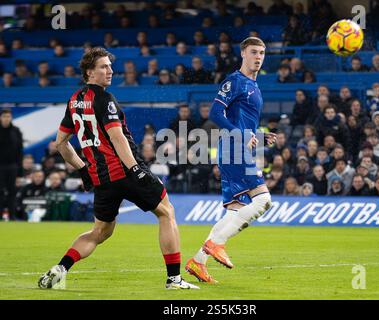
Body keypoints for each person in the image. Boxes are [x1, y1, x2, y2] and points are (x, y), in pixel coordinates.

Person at [38, 47, 198, 290]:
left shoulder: (74, 101)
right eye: (104, 66)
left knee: (101, 231)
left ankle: (60, 268)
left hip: (101, 179)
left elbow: (60, 143)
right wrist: (135, 169)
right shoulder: (104, 99)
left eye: (110, 66)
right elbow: (117, 138)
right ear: (89, 73)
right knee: (166, 212)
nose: (110, 70)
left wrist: (83, 169)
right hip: (124, 170)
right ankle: (174, 279)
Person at [185, 37, 277, 283]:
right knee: (263, 200)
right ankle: (216, 243)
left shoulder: (254, 85)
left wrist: (257, 135)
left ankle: (198, 261)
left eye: (262, 53)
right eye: (254, 52)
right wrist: (239, 134)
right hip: (233, 148)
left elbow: (242, 121)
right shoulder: (235, 81)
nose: (258, 57)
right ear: (243, 53)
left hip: (239, 148)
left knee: (234, 211)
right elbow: (215, 112)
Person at [0, 109, 23, 221]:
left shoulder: (16, 131)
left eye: (8, 116)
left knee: (12, 192)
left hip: (13, 166)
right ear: (1, 117)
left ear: (11, 117)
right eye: (4, 116)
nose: (6, 118)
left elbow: (20, 152)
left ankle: (12, 216)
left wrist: (20, 173)